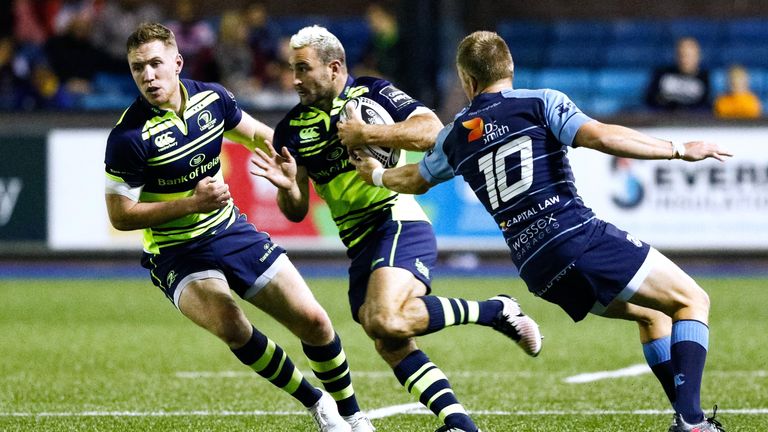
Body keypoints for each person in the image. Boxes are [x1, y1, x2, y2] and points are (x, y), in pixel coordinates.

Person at [352, 30, 732, 432]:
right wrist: (676, 148)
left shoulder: (455, 135)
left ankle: (686, 416)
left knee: (655, 316)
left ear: (468, 81)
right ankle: (691, 423)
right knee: (693, 299)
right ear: (510, 68)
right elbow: (601, 136)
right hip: (577, 237)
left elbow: (414, 177)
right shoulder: (539, 102)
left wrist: (375, 174)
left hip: (537, 267)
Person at [250, 25, 542, 432]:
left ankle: (496, 310)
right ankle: (459, 424)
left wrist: (367, 133)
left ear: (334, 67)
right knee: (389, 339)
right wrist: (286, 188)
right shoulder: (290, 129)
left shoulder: (373, 93)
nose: (295, 79)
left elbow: (432, 131)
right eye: (291, 69)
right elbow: (296, 210)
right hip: (357, 242)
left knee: (385, 319)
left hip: (396, 221)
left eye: (303, 68)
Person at [103, 23, 374, 432]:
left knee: (315, 321)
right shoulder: (128, 137)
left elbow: (261, 137)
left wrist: (299, 158)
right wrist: (193, 203)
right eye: (138, 68)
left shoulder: (213, 99)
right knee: (232, 325)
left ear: (177, 63)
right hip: (175, 252)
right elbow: (120, 215)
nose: (148, 76)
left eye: (156, 64)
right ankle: (317, 402)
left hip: (229, 231)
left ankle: (354, 415)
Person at [646, 36, 711, 112]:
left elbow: (703, 105)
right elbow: (650, 99)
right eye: (682, 55)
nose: (685, 59)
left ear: (698, 56)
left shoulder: (704, 77)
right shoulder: (662, 73)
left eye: (689, 56)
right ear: (676, 55)